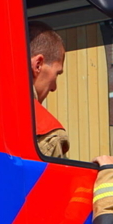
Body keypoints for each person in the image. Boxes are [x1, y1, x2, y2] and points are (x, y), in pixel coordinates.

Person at [28, 21, 69, 158]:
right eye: (57, 73)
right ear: (38, 65)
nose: (54, 88)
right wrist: (111, 169)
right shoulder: (48, 134)